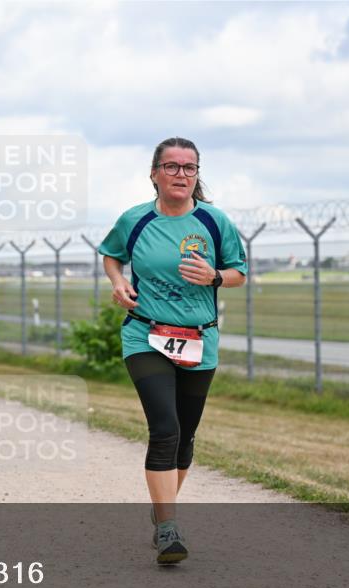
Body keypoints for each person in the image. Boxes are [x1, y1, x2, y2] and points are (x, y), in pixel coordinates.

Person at [98, 137, 248, 565]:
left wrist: (214, 276)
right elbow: (110, 254)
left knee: (185, 437)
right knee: (165, 428)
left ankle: (162, 507)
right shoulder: (135, 220)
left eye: (189, 167)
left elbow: (239, 273)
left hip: (199, 339)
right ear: (154, 173)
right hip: (145, 335)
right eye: (172, 166)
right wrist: (118, 283)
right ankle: (168, 528)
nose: (181, 174)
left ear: (197, 175)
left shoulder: (215, 222)